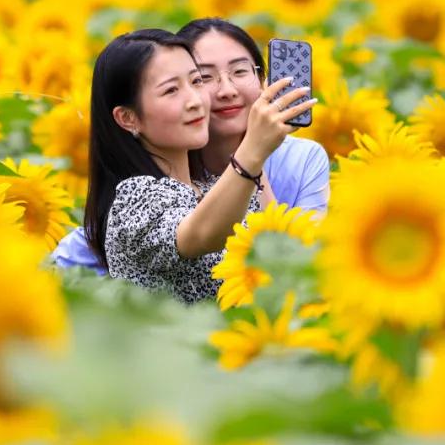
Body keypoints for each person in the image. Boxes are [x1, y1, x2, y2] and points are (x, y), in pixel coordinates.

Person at [54, 18, 331, 276]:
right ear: (128, 118)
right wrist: (253, 149)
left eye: (196, 81)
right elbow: (198, 235)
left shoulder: (213, 187)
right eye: (172, 90)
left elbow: (280, 264)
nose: (198, 99)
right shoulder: (135, 199)